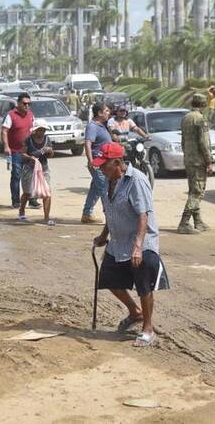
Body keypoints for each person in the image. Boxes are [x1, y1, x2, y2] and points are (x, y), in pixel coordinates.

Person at [93, 142, 170, 347]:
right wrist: (103, 236)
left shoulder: (136, 180)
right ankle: (135, 312)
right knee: (108, 278)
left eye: (104, 164)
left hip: (141, 241)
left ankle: (148, 328)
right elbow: (111, 212)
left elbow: (143, 215)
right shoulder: (107, 181)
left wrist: (138, 247)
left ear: (117, 162)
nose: (100, 168)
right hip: (118, 241)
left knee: (143, 283)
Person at [177, 94, 213, 235]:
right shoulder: (200, 119)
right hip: (198, 161)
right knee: (197, 192)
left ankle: (198, 221)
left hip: (189, 160)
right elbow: (203, 143)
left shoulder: (186, 118)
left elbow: (183, 141)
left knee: (193, 189)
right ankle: (184, 223)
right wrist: (209, 161)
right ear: (203, 105)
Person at [2, 92, 40, 209]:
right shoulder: (11, 115)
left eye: (29, 104)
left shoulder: (30, 115)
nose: (27, 106)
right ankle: (16, 200)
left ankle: (32, 199)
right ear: (18, 103)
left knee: (32, 175)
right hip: (15, 151)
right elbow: (4, 131)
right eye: (24, 103)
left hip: (29, 151)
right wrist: (6, 146)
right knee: (16, 175)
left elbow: (34, 130)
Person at [19, 119, 54, 225]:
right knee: (27, 192)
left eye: (43, 130)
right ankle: (22, 210)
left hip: (43, 168)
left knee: (47, 193)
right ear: (35, 130)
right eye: (40, 130)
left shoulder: (47, 139)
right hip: (30, 168)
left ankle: (46, 217)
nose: (41, 132)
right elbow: (23, 154)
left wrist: (49, 151)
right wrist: (31, 157)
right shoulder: (28, 140)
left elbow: (51, 155)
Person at [82, 102, 112, 224]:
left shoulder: (102, 125)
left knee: (95, 188)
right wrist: (91, 161)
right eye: (106, 111)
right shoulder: (92, 126)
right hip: (97, 163)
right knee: (105, 189)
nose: (108, 113)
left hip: (105, 163)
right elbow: (88, 143)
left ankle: (87, 214)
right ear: (99, 113)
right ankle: (110, 216)